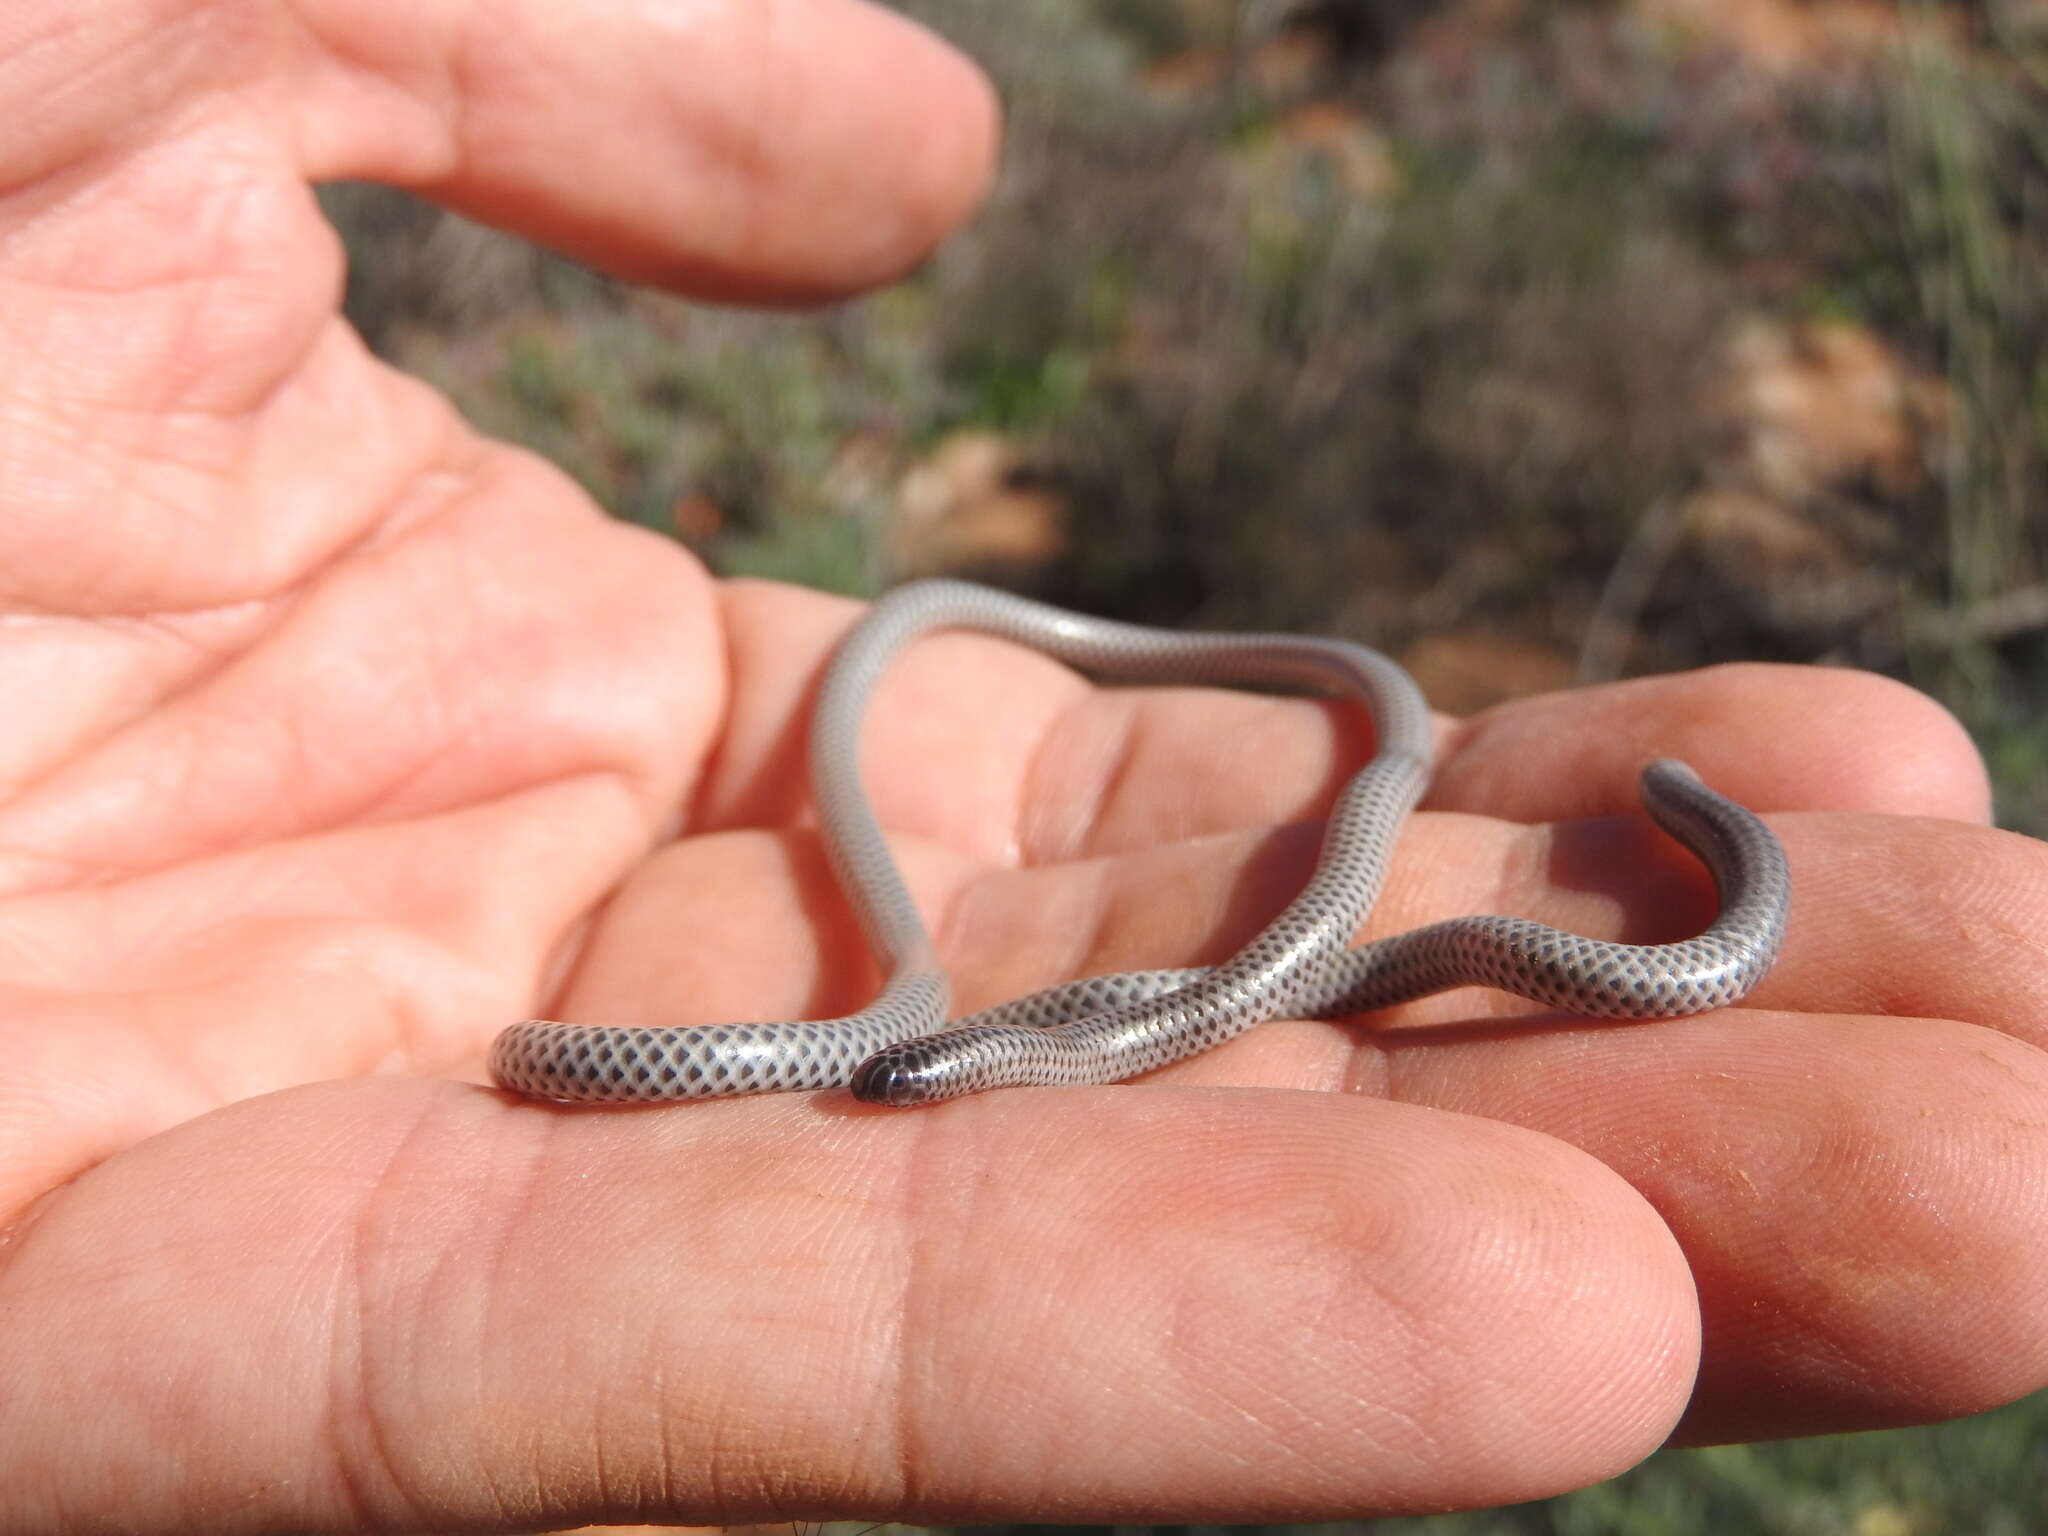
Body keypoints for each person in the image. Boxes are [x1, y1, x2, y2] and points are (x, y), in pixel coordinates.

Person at [1, 1, 2043, 1530]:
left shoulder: (1052, 1019)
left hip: (1212, 947)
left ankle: (1554, 797)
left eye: (922, 1073)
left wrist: (1045, 1027)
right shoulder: (957, 1030)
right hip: (1082, 987)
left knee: (1347, 919)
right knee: (1123, 963)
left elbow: (1046, 1036)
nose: (900, 1080)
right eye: (916, 1072)